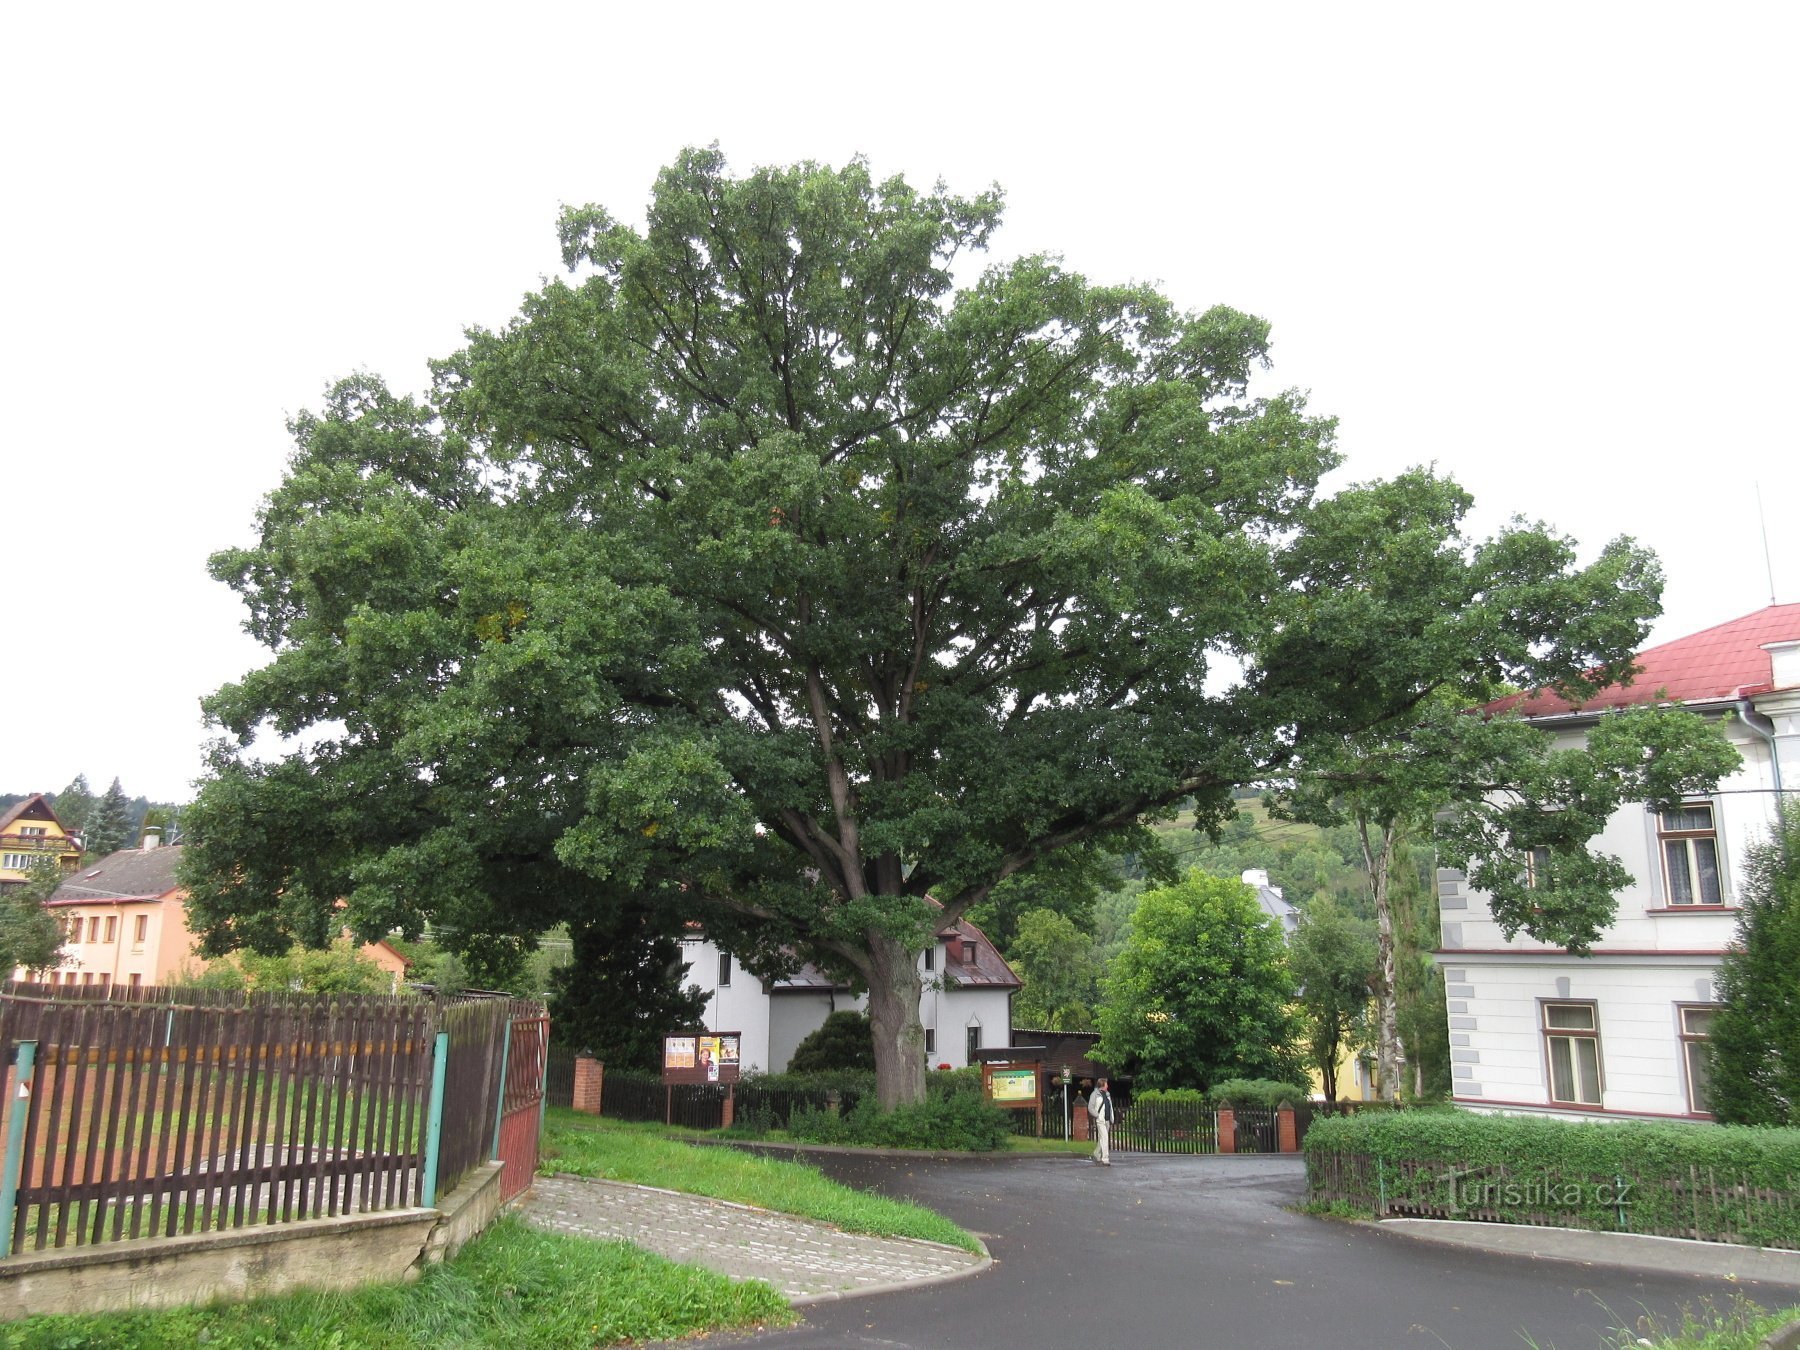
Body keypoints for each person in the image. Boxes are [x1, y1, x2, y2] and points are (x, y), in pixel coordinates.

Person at [1088, 1078, 1115, 1166]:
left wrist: (1111, 1118)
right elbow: (1090, 1107)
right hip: (1100, 1120)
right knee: (1105, 1137)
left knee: (1102, 1139)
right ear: (1103, 1085)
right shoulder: (1095, 1094)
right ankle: (1105, 1158)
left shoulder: (1107, 1094)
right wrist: (1097, 1115)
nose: (1107, 1086)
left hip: (1107, 1120)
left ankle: (1096, 1154)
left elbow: (1110, 1107)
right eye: (1106, 1084)